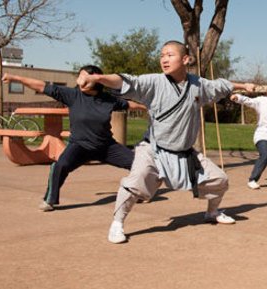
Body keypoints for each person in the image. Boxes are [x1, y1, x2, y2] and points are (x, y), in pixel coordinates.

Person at [77, 40, 256, 244]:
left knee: (219, 180)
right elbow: (127, 81)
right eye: (162, 55)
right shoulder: (154, 82)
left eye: (170, 55)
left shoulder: (199, 84)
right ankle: (117, 223)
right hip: (154, 149)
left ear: (186, 59)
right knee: (135, 182)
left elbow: (222, 85)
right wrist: (98, 77)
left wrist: (245, 86)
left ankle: (212, 212)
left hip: (185, 152)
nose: (164, 59)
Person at [2, 65, 147, 212]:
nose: (81, 81)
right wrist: (15, 78)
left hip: (106, 146)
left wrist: (148, 108)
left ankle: (140, 191)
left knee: (140, 165)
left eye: (85, 78)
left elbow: (130, 104)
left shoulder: (108, 99)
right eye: (80, 77)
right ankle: (49, 200)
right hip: (80, 146)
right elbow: (41, 86)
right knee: (59, 166)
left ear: (97, 80)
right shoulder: (72, 95)